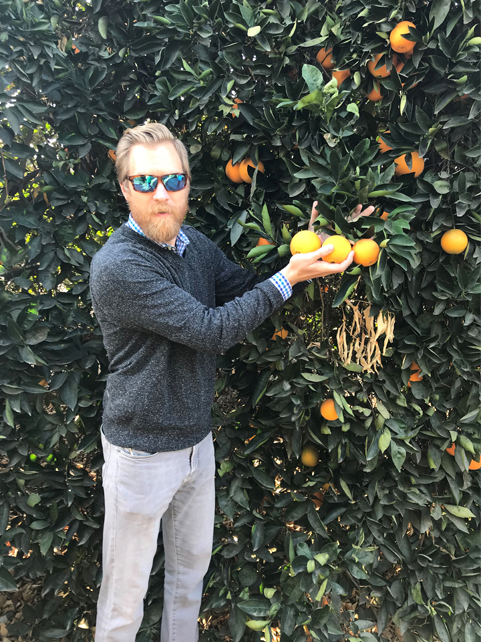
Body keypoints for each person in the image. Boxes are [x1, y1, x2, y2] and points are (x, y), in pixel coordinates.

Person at [89, 123, 373, 642]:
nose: (161, 194)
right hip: (141, 452)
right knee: (124, 600)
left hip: (196, 444)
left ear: (188, 185)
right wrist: (289, 279)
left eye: (172, 180)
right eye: (146, 181)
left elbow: (241, 288)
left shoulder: (193, 244)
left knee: (188, 580)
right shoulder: (119, 266)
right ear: (125, 188)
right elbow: (210, 330)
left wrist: (311, 255)